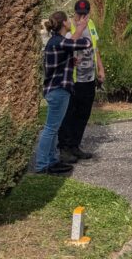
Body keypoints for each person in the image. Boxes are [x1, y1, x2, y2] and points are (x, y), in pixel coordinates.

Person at [35, 11, 92, 174]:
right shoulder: (59, 42)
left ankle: (52, 161)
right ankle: (41, 164)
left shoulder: (56, 42)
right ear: (64, 23)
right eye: (68, 20)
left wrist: (70, 62)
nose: (70, 22)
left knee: (54, 127)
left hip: (57, 89)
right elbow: (85, 43)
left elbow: (58, 64)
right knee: (51, 128)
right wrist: (81, 28)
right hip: (58, 90)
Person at [58, 0, 105, 164]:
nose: (82, 16)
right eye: (79, 13)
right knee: (68, 114)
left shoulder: (91, 25)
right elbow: (64, 48)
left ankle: (75, 146)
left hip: (89, 78)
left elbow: (95, 49)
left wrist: (100, 69)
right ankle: (64, 148)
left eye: (85, 13)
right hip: (73, 79)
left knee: (83, 114)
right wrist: (79, 29)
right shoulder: (68, 26)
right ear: (75, 12)